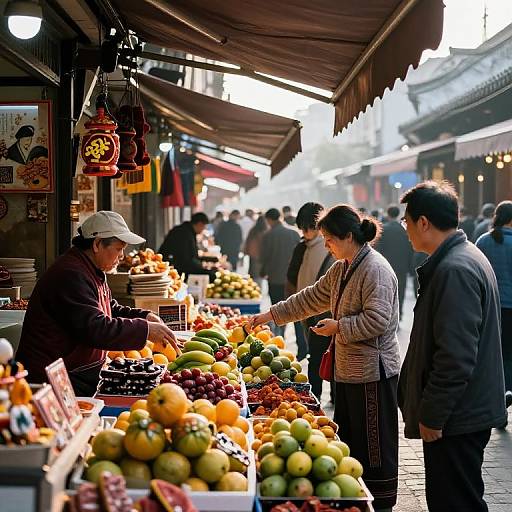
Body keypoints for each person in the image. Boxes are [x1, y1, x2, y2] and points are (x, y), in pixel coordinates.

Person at [251, 205, 400, 511]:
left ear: (348, 236)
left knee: (374, 447)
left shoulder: (376, 269)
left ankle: (380, 503)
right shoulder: (342, 266)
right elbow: (311, 297)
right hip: (347, 370)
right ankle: (353, 499)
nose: (327, 247)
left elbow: (378, 321)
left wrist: (338, 327)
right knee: (350, 440)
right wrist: (271, 314)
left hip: (372, 373)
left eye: (330, 240)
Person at [398, 181, 506, 512]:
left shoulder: (455, 269)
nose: (406, 230)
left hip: (457, 416)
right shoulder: (463, 256)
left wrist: (432, 415)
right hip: (464, 410)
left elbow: (455, 358)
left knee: (454, 502)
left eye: (407, 221)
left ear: (424, 222)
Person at [17, 211, 179, 396]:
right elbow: (96, 327)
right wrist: (146, 330)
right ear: (97, 244)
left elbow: (110, 309)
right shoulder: (71, 274)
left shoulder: (91, 269)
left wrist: (144, 316)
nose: (122, 256)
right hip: (51, 381)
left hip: (74, 373)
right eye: (119, 249)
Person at [285, 202, 335, 398]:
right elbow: (292, 275)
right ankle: (316, 397)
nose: (305, 232)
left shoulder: (329, 249)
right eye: (303, 228)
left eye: (308, 227)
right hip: (307, 310)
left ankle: (330, 397)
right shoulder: (303, 247)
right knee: (315, 359)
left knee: (327, 360)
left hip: (326, 314)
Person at [476, 200, 512, 410]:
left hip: (489, 306)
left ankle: (495, 392)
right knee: (509, 352)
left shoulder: (483, 241)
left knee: (491, 349)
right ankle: (508, 388)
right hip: (510, 307)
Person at [260, 208, 301, 337]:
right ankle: (301, 348)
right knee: (296, 311)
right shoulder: (294, 233)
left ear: (269, 220)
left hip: (275, 278)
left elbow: (265, 257)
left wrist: (263, 271)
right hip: (293, 279)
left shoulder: (268, 235)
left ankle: (279, 336)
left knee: (277, 309)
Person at [375, 205, 413, 318]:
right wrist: (410, 267)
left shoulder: (383, 229)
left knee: (386, 291)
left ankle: (387, 314)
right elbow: (410, 249)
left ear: (388, 213)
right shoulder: (404, 230)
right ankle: (399, 312)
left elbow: (378, 248)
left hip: (386, 266)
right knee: (400, 290)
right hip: (402, 266)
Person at [158, 212, 212, 279]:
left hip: (181, 266)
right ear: (199, 224)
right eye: (204, 227)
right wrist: (201, 266)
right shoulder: (184, 233)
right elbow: (185, 259)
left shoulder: (187, 230)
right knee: (211, 275)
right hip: (174, 269)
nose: (203, 229)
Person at [244, 215, 268, 285]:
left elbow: (248, 242)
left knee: (253, 274)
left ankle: (253, 287)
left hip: (253, 255)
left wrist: (247, 252)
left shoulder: (253, 230)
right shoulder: (266, 231)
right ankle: (258, 289)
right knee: (260, 275)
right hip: (262, 256)